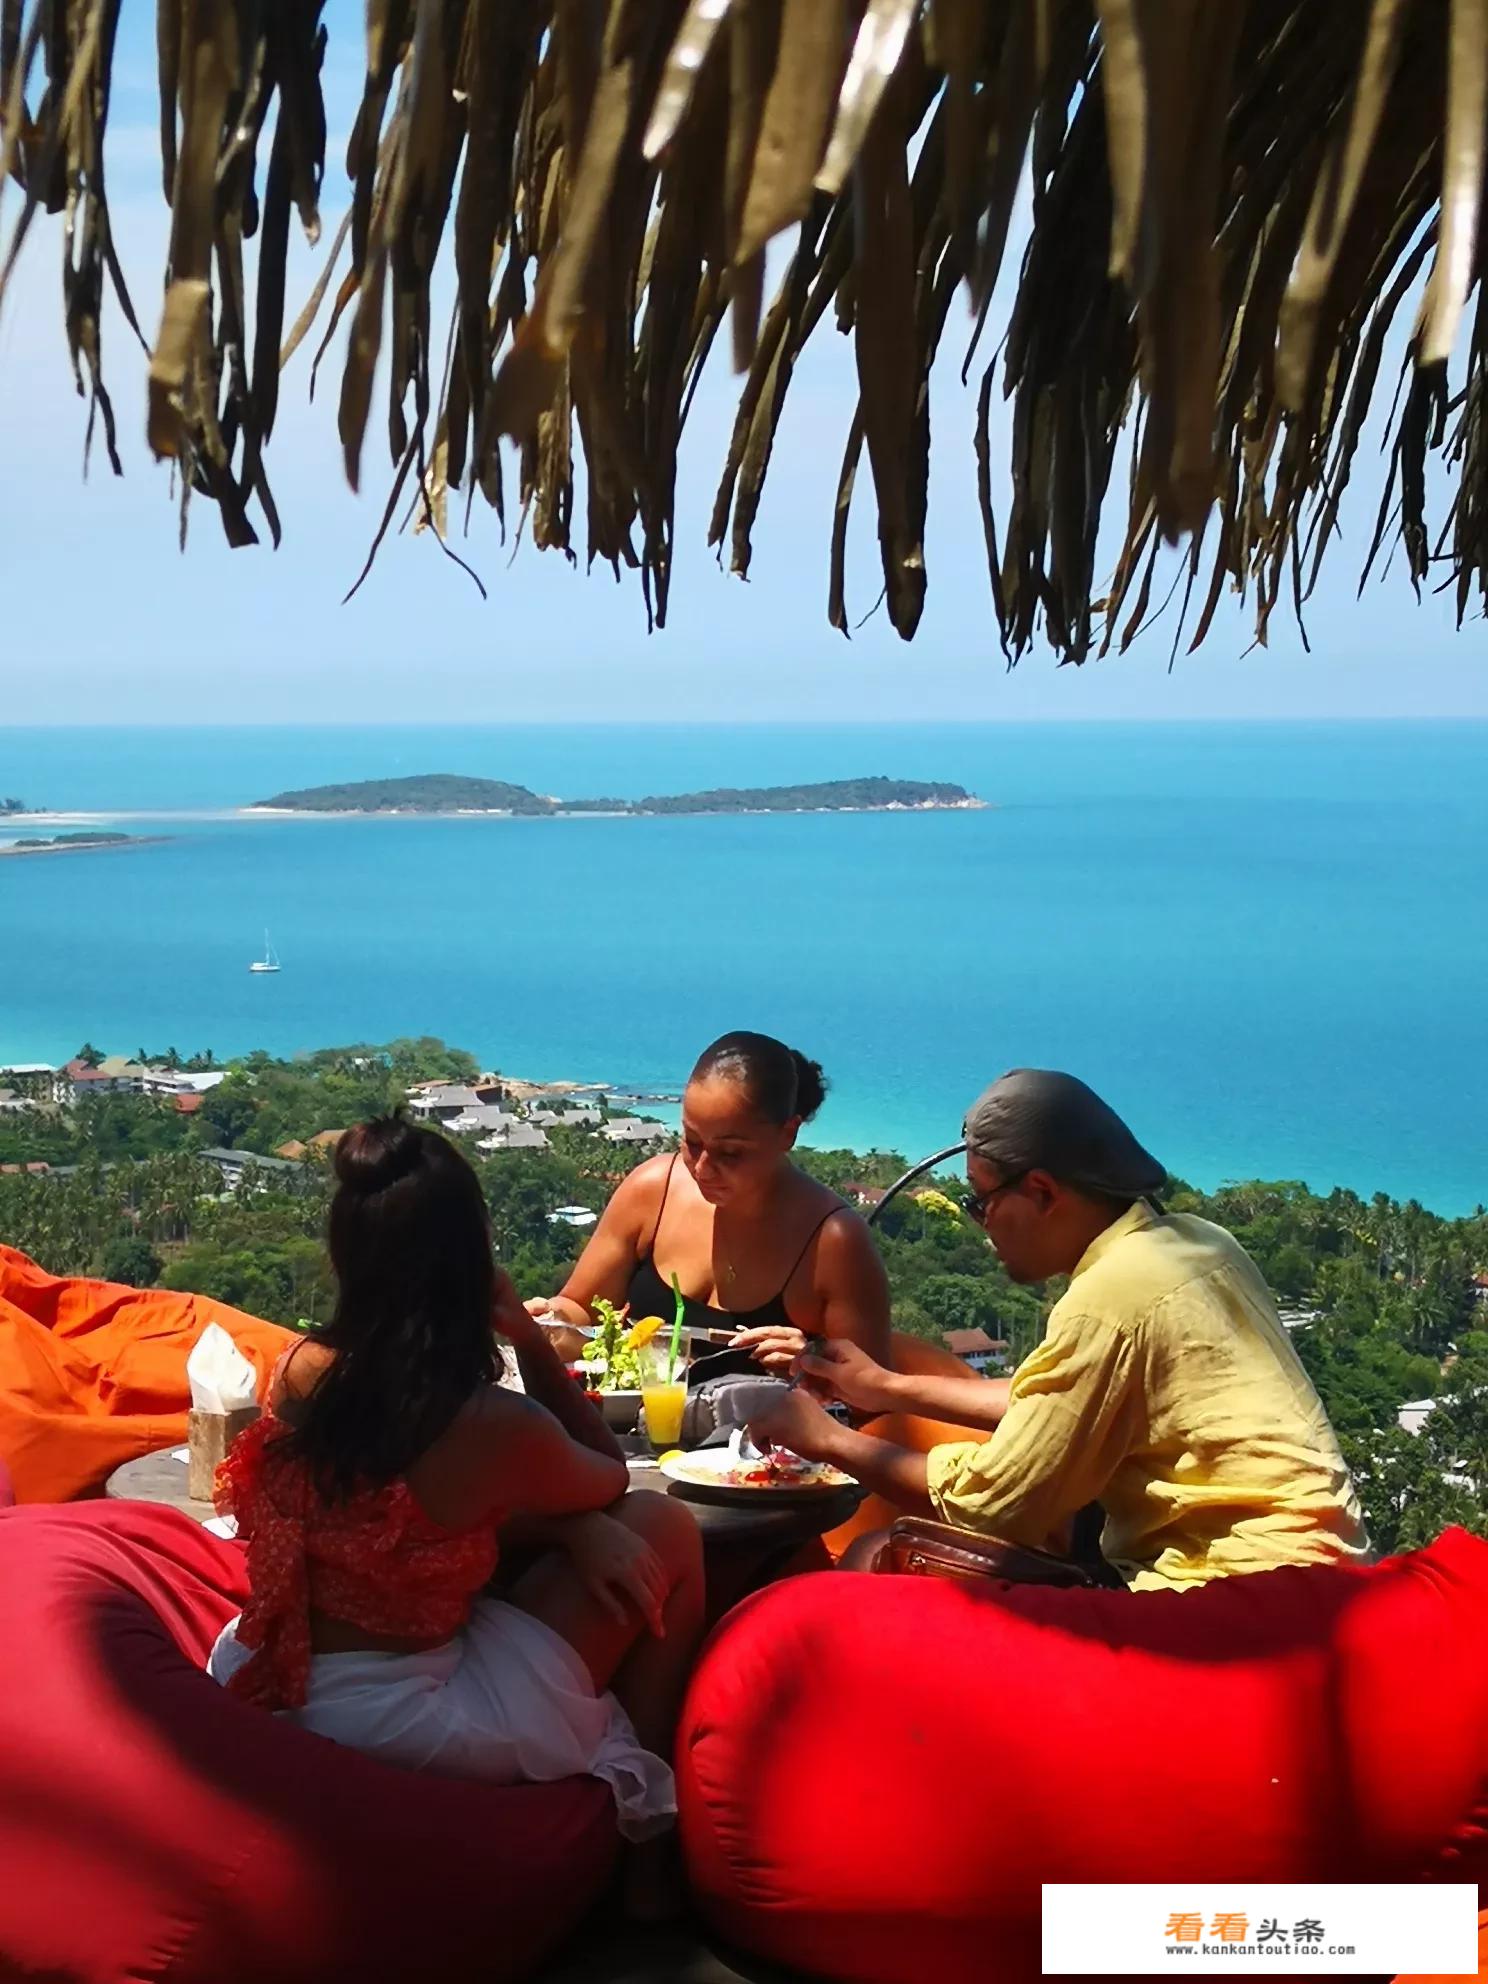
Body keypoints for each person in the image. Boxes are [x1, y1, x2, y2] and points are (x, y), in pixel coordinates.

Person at [207, 1116, 704, 1917]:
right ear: (471, 1264)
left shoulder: (302, 1370)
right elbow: (608, 1476)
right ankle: (646, 1853)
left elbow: (396, 1527)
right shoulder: (484, 1424)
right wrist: (530, 1341)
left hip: (273, 1671)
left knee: (582, 1539)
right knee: (662, 1527)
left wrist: (569, 1528)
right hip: (399, 1718)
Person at [749, 1069, 1370, 1592]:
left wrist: (830, 1442)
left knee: (866, 1565)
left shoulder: (1108, 1300)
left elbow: (996, 1503)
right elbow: (1051, 1402)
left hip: (1224, 1588)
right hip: (1325, 1571)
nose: (979, 1222)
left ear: (1043, 1191)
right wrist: (885, 1387)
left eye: (980, 1200)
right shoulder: (1199, 1242)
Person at [534, 1032, 891, 1375]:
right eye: (691, 1141)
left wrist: (811, 1362)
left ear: (788, 1134)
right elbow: (582, 1311)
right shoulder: (651, 1191)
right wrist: (548, 1319)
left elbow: (875, 1397)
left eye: (730, 1152)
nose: (702, 1169)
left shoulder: (833, 1241)